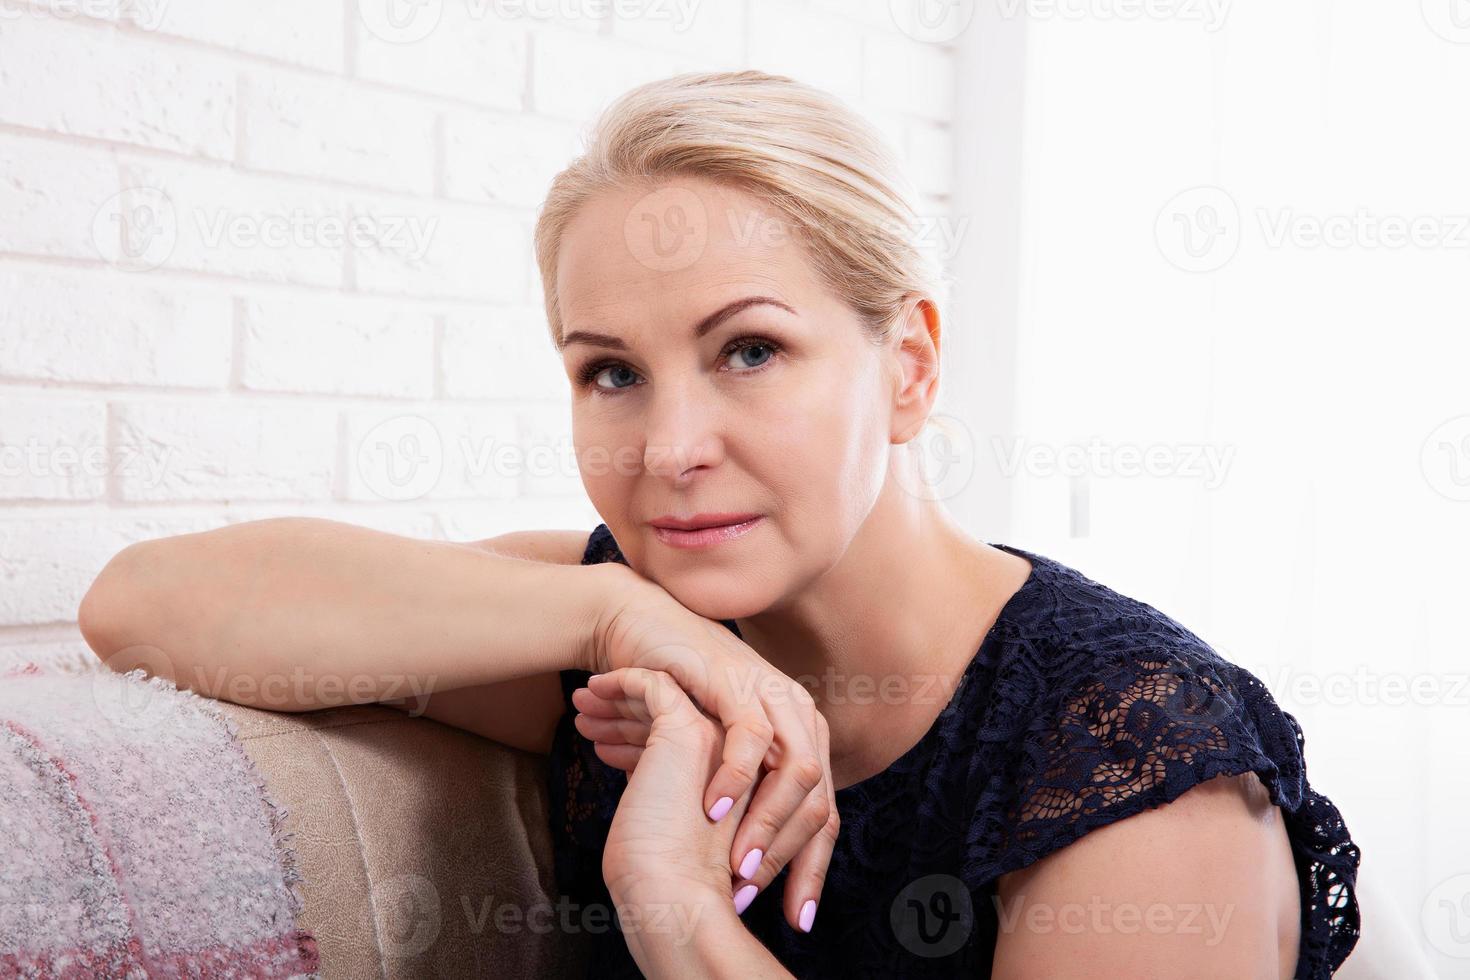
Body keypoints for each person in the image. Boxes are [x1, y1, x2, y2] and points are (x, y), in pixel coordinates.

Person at [79, 69, 1361, 977]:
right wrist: (614, 609)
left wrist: (682, 913)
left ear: (908, 364)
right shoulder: (633, 628)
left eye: (749, 348)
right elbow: (141, 604)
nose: (669, 447)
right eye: (612, 371)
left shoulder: (1136, 754)